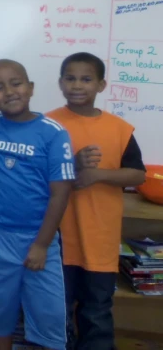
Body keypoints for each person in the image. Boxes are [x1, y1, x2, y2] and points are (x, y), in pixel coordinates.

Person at [47, 52, 146, 350]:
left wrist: (98, 175)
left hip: (99, 238)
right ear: (60, 83)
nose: (77, 85)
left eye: (86, 79)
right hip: (57, 239)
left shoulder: (119, 128)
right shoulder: (48, 125)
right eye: (70, 78)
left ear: (101, 85)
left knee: (97, 311)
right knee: (57, 311)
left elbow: (137, 175)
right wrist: (73, 166)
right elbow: (35, 176)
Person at [0, 59, 75, 350]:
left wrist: (42, 244)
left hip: (38, 236)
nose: (9, 92)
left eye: (16, 83)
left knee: (48, 310)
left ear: (30, 87)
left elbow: (61, 193)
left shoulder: (53, 132)